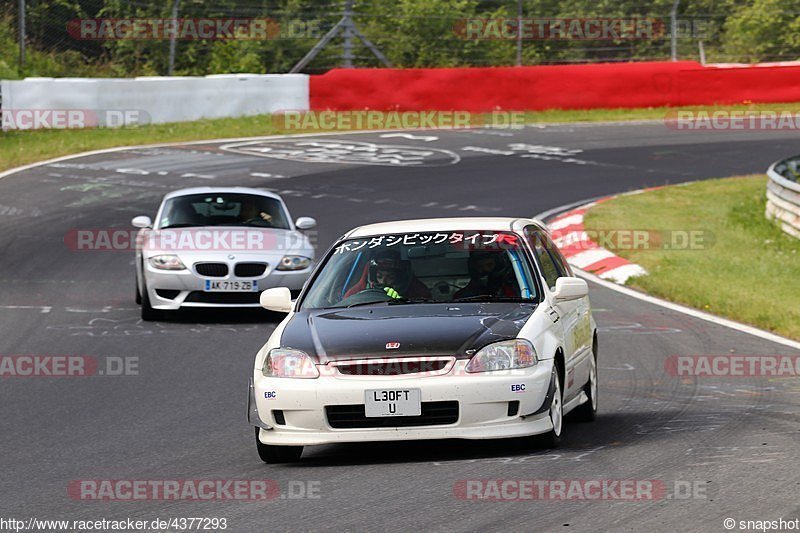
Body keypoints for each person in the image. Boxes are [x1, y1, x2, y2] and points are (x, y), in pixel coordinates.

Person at [343, 249, 432, 300]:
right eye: (379, 276)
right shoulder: (354, 294)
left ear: (401, 278)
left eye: (390, 277)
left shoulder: (419, 294)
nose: (383, 281)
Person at [453, 251, 518, 299]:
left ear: (498, 265)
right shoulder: (464, 296)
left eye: (489, 265)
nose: (485, 270)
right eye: (480, 267)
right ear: (474, 269)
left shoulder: (516, 288)